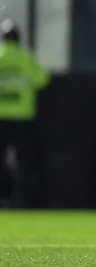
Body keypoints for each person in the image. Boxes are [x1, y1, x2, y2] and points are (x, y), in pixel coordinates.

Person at [0, 19, 49, 208]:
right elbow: (42, 80)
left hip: (1, 118)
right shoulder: (25, 57)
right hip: (22, 118)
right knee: (25, 163)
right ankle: (23, 201)